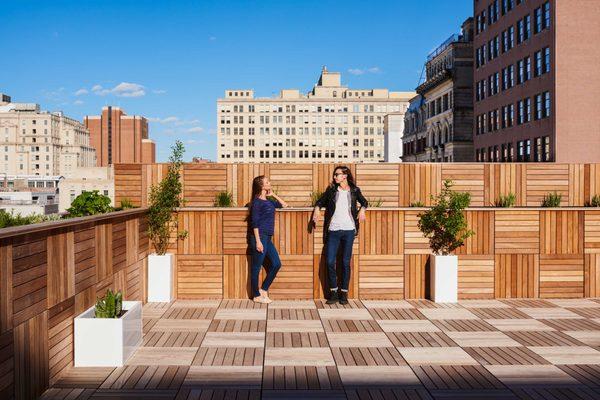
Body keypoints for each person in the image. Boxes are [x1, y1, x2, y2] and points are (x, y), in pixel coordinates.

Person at [312, 166, 368, 305]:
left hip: (349, 230)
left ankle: (344, 293)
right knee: (330, 261)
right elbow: (320, 201)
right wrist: (317, 209)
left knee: (344, 262)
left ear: (345, 176)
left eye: (337, 174)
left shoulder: (354, 190)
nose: (335, 177)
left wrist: (362, 210)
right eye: (334, 175)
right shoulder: (331, 191)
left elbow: (365, 202)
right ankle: (333, 292)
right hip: (333, 230)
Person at [248, 175, 288, 303]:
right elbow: (254, 223)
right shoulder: (256, 203)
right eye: (267, 182)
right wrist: (258, 241)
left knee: (277, 264)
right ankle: (256, 296)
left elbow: (284, 205)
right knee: (256, 267)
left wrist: (274, 195)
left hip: (268, 238)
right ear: (261, 186)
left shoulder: (269, 201)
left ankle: (264, 289)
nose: (269, 183)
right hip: (259, 237)